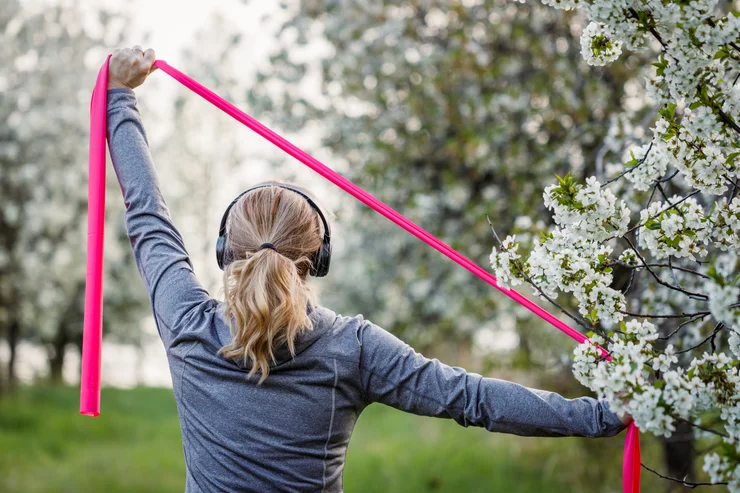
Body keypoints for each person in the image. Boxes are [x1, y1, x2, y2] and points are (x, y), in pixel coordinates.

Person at [106, 46, 632, 493]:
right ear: (319, 259)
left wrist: (119, 96)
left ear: (225, 250)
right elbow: (472, 399)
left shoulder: (184, 320)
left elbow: (146, 212)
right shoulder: (351, 348)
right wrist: (603, 415)